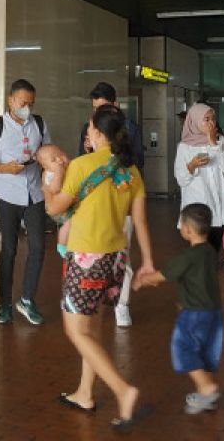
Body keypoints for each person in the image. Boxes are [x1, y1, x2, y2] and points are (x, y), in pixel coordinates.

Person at [44, 104, 154, 430]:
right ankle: (84, 393)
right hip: (116, 258)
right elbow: (143, 223)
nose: (87, 133)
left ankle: (124, 390)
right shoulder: (131, 171)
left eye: (90, 128)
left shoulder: (80, 165)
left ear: (99, 133)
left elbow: (55, 208)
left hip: (86, 257)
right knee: (93, 328)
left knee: (76, 331)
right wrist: (147, 261)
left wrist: (46, 185)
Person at [134, 203, 223, 415]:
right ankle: (205, 394)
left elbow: (164, 275)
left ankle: (208, 388)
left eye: (182, 224)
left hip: (194, 313)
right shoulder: (210, 251)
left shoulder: (188, 257)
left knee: (183, 347)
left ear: (188, 230)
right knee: (201, 349)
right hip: (212, 312)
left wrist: (143, 280)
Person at [0, 79, 51, 326]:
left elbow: (46, 153)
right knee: (9, 249)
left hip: (35, 194)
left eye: (31, 103)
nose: (26, 108)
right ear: (10, 101)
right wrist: (5, 169)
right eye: (22, 103)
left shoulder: (38, 124)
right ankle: (5, 303)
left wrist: (46, 162)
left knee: (38, 247)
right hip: (7, 194)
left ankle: (27, 299)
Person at [76, 81, 144, 327]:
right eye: (95, 108)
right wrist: (88, 151)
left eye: (103, 107)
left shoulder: (130, 129)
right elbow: (80, 167)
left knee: (121, 257)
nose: (98, 114)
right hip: (92, 206)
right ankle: (93, 300)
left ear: (115, 105)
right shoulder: (88, 128)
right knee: (90, 256)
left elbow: (137, 162)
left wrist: (111, 154)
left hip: (120, 203)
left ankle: (122, 304)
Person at [174, 104, 224, 259]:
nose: (211, 123)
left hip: (220, 204)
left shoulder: (222, 141)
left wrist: (213, 144)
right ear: (194, 121)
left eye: (213, 119)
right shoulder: (184, 147)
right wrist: (192, 165)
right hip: (196, 205)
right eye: (206, 119)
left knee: (213, 247)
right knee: (198, 249)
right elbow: (181, 178)